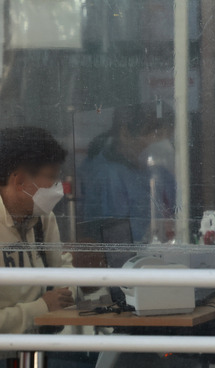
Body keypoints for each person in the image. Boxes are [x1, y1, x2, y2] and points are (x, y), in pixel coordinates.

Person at [0, 127, 74, 334]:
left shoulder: (42, 218)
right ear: (20, 181)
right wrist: (41, 308)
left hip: (38, 348)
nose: (57, 187)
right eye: (51, 177)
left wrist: (67, 293)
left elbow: (60, 268)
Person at [78, 102, 176, 245]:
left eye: (166, 135)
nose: (160, 142)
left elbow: (177, 209)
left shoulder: (156, 171)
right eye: (154, 134)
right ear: (125, 134)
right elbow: (116, 236)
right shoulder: (108, 175)